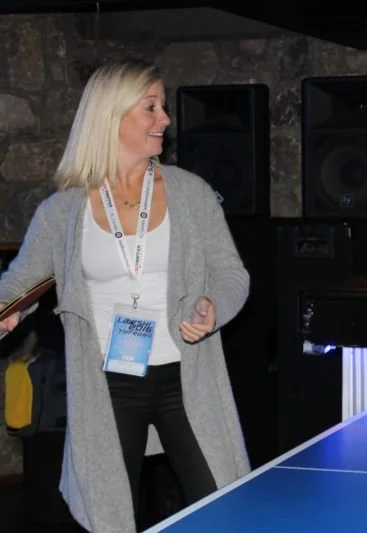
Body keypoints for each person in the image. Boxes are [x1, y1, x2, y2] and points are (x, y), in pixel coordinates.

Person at [0, 60, 252, 532]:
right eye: (151, 107)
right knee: (109, 518)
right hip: (107, 383)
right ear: (111, 115)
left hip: (186, 377)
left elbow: (232, 275)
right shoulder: (62, 212)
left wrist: (213, 306)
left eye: (163, 106)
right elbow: (20, 282)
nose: (166, 119)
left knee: (223, 509)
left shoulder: (191, 194)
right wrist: (7, 308)